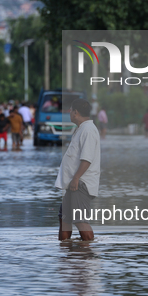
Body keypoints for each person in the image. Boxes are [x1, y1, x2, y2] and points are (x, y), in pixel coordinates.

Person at [56, 98, 100, 242]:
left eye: (70, 110)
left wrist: (76, 178)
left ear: (75, 112)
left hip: (80, 183)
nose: (69, 112)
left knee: (80, 220)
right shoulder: (81, 129)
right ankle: (66, 256)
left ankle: (88, 259)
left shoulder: (88, 130)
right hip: (72, 183)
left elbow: (87, 159)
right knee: (65, 220)